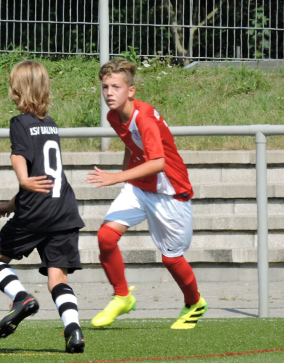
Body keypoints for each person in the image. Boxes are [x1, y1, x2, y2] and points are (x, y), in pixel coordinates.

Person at [86, 59, 206, 329]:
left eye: (116, 87)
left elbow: (158, 163)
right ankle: (122, 297)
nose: (109, 93)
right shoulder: (114, 116)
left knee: (171, 259)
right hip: (139, 187)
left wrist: (116, 177)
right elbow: (131, 145)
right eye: (105, 87)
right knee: (106, 237)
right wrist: (125, 174)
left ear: (131, 91)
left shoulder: (145, 118)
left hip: (170, 191)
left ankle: (194, 302)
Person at [0, 61, 86, 353]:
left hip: (36, 212)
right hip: (64, 210)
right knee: (58, 278)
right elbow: (44, 174)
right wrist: (13, 202)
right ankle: (74, 330)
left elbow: (20, 157)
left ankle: (21, 298)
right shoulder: (50, 124)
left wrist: (22, 179)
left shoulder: (20, 123)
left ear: (16, 91)